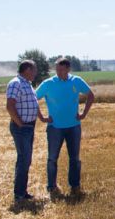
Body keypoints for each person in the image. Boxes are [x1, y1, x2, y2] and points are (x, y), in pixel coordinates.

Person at [36, 57, 94, 197]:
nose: (59, 71)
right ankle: (51, 186)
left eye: (62, 69)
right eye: (57, 69)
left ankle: (75, 186)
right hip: (55, 127)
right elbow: (33, 99)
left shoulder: (76, 81)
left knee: (74, 158)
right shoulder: (48, 83)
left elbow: (90, 95)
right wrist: (42, 117)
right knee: (52, 158)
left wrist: (84, 113)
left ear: (68, 69)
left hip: (73, 126)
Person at [6, 60, 48, 201]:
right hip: (21, 128)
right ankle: (19, 194)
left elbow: (33, 105)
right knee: (24, 159)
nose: (36, 73)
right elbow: (10, 106)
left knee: (26, 159)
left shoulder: (28, 85)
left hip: (29, 126)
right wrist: (20, 124)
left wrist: (42, 118)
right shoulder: (15, 83)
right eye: (34, 70)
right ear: (27, 70)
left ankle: (22, 192)